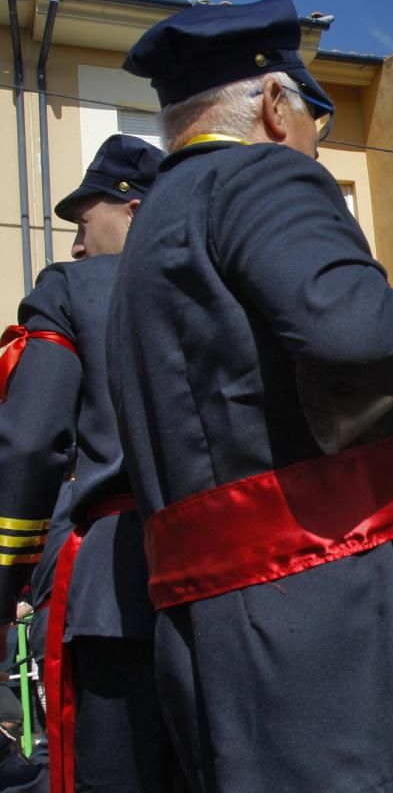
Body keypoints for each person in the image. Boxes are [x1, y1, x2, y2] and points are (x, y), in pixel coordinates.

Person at [106, 0, 393, 790]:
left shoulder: (149, 232)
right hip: (367, 634)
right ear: (275, 106)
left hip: (231, 646)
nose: (316, 143)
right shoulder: (259, 172)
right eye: (316, 121)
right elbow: (355, 331)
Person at [0, 135, 179, 792]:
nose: (76, 245)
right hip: (235, 584)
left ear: (133, 211)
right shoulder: (231, 292)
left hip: (117, 590)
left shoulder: (74, 289)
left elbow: (27, 444)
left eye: (84, 222)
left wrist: (2, 591)